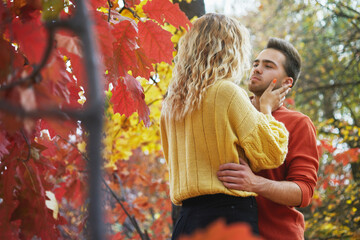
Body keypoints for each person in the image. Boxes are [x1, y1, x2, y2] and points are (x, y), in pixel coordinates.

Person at [160, 14, 292, 239]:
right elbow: (273, 152)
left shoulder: (170, 104)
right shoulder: (226, 93)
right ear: (231, 50)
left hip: (187, 219)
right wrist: (267, 109)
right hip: (227, 216)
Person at [217, 37, 319, 240]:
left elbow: (303, 191)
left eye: (268, 66)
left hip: (277, 235)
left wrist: (255, 183)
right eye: (256, 64)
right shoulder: (227, 112)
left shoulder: (299, 123)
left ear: (287, 82)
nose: (256, 69)